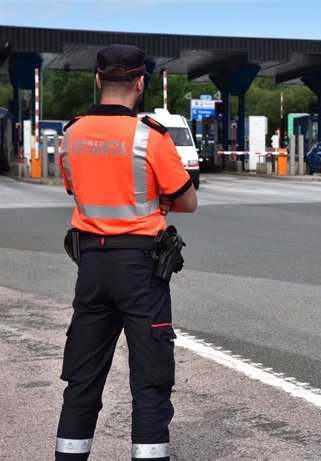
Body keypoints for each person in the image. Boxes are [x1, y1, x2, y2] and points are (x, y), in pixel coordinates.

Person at [55, 44, 197, 461]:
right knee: (150, 381)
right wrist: (157, 200)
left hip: (91, 266)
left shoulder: (72, 133)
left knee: (82, 379)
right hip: (141, 269)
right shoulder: (150, 137)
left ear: (98, 80)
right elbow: (186, 201)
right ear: (140, 83)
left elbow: (74, 189)